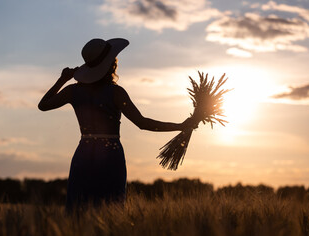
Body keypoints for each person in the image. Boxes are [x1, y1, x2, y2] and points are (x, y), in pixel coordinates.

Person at [38, 38, 196, 213]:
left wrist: (62, 79)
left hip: (83, 152)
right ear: (111, 65)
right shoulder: (116, 93)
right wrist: (180, 126)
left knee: (78, 208)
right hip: (110, 155)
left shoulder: (73, 91)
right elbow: (142, 123)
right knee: (110, 209)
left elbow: (43, 105)